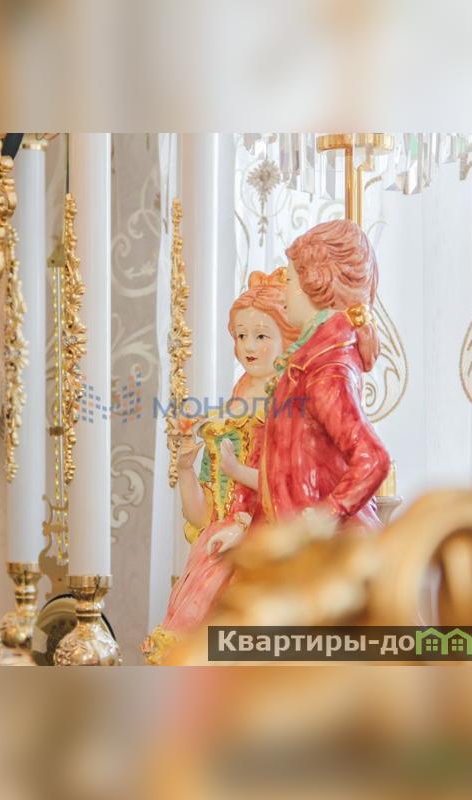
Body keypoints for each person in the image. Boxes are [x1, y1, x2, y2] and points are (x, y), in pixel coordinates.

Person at [143, 268, 298, 664]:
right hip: (217, 546)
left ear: (288, 339)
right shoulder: (227, 414)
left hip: (267, 544)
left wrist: (237, 475)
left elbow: (289, 486)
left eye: (261, 336)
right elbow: (203, 515)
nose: (248, 346)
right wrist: (185, 469)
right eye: (241, 335)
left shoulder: (290, 410)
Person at [251, 218, 390, 538]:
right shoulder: (307, 362)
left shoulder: (326, 368)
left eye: (288, 280)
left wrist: (328, 512)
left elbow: (373, 458)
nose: (283, 295)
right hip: (296, 544)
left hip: (325, 553)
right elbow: (282, 472)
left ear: (315, 281)